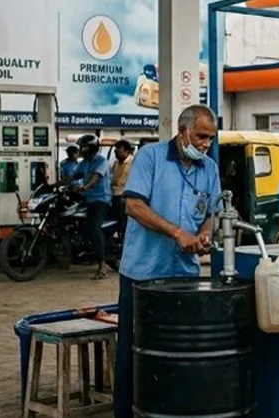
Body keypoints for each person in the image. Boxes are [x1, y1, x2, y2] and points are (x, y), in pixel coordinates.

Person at [113, 104, 221, 417]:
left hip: (183, 275)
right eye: (201, 136)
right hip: (142, 273)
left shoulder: (209, 168)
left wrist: (202, 235)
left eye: (210, 139)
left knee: (179, 352)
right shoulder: (151, 157)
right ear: (183, 130)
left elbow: (211, 213)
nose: (205, 144)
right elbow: (133, 205)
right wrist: (177, 233)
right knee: (133, 351)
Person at [58, 134, 113, 280]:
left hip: (101, 200)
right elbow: (73, 176)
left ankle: (102, 266)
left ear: (91, 148)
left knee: (93, 228)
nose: (81, 150)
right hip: (87, 200)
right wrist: (55, 185)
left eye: (84, 147)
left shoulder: (102, 161)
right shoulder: (84, 163)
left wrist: (84, 187)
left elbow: (95, 177)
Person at [111, 139, 134, 239]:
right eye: (115, 151)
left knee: (124, 222)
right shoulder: (116, 164)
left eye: (118, 151)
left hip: (125, 197)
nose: (116, 153)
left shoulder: (133, 163)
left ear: (126, 151)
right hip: (114, 195)